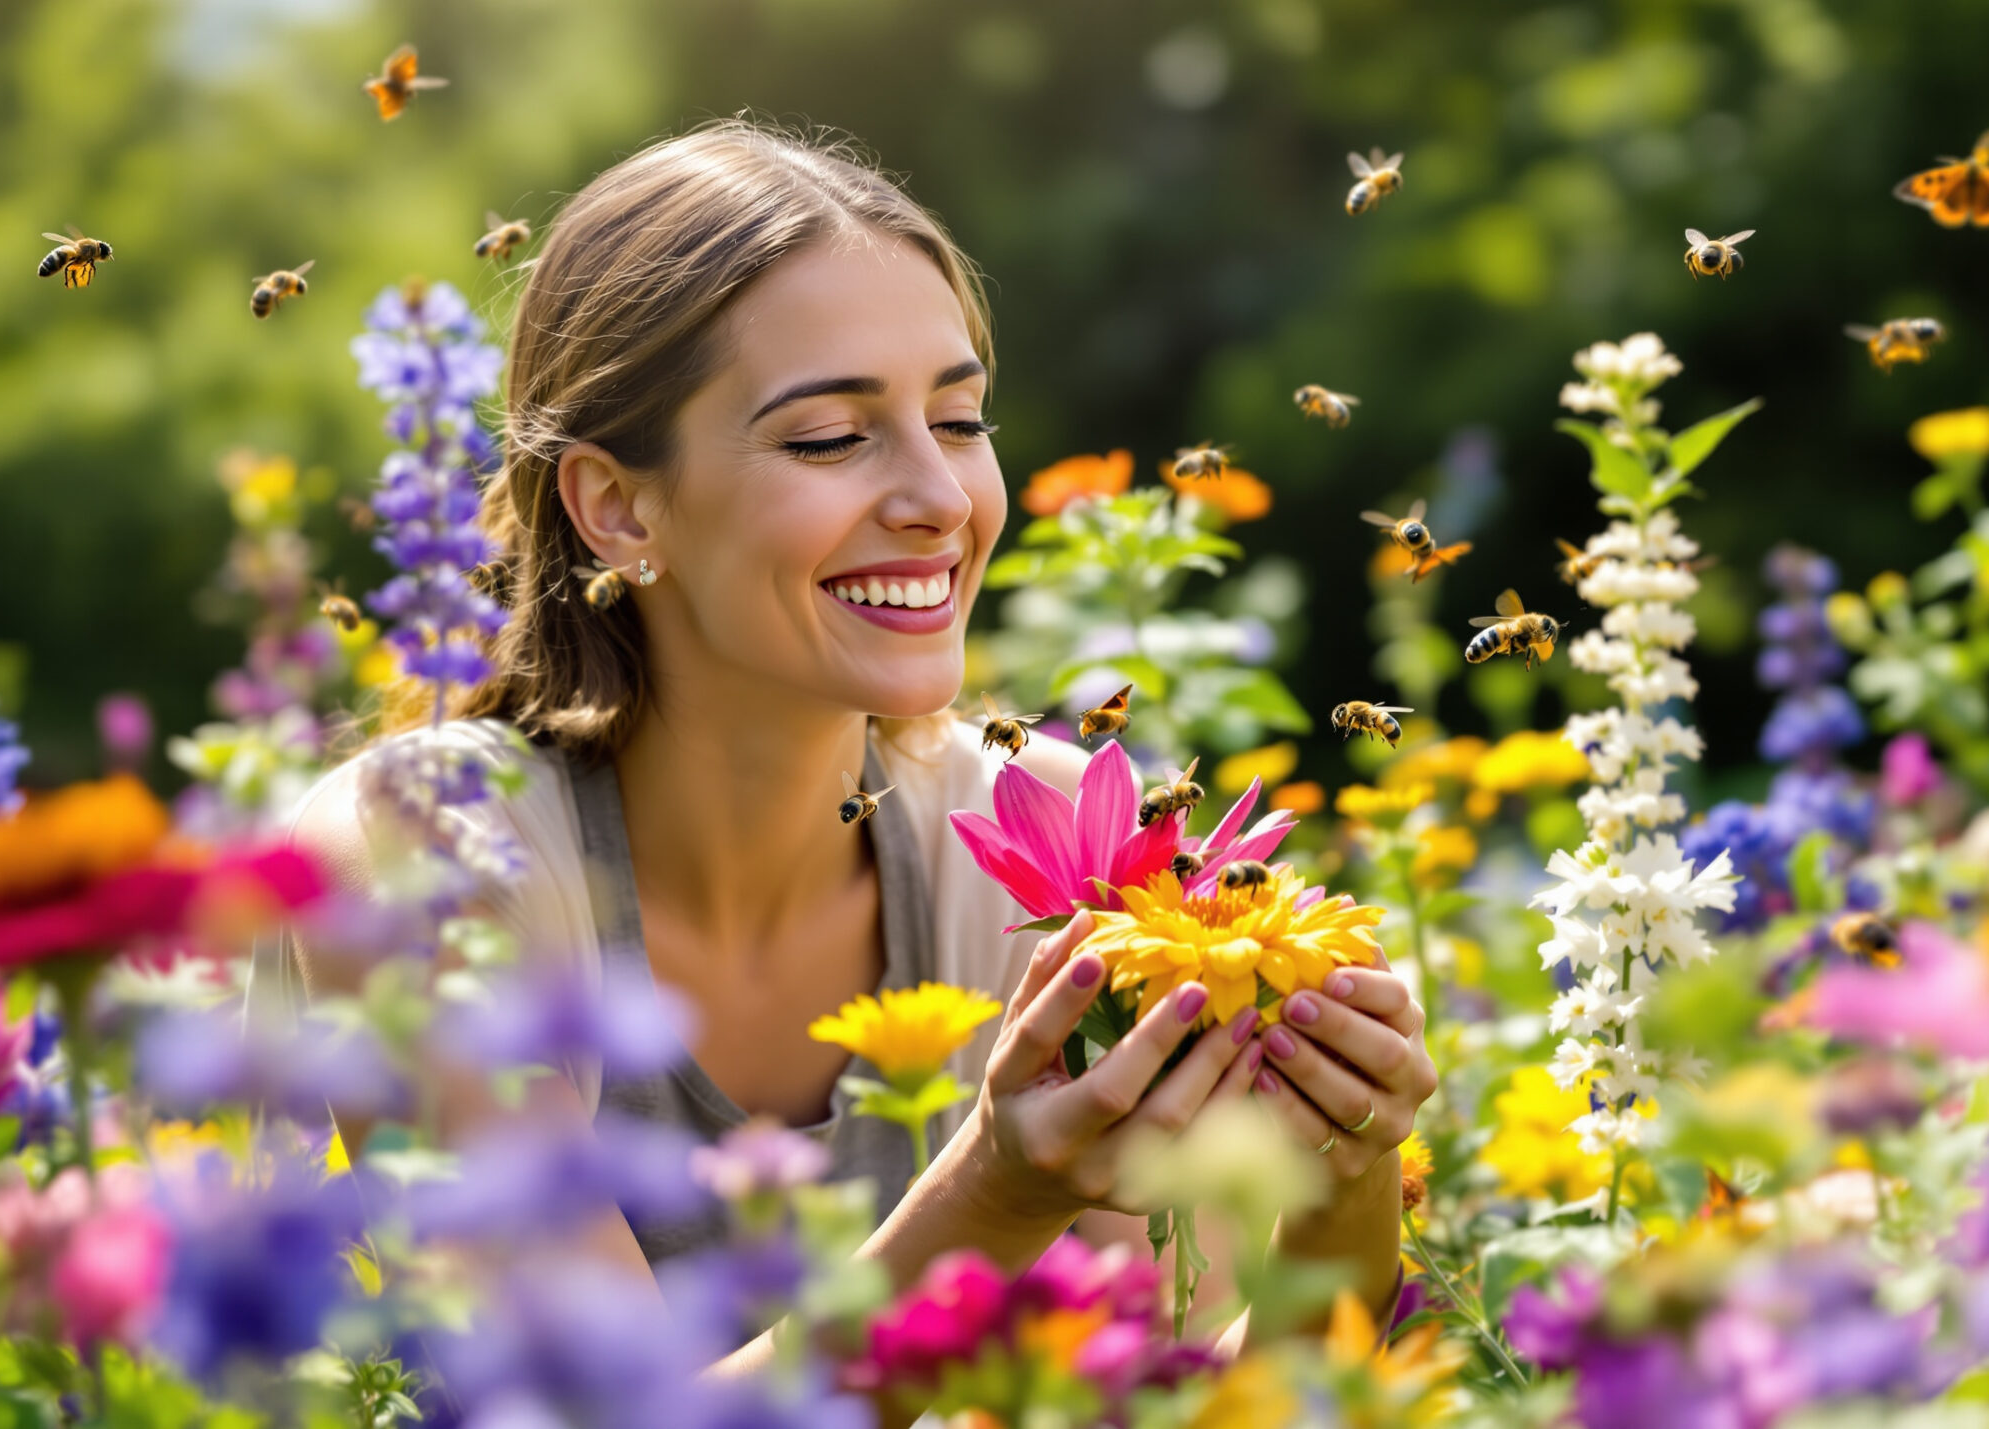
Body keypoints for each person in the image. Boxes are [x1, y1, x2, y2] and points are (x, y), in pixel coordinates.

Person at [265, 118, 1435, 1380]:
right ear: (615, 505)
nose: (939, 497)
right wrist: (990, 1194)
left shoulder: (1058, 841)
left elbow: (1203, 1399)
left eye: (962, 419)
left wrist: (1345, 1164)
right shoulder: (417, 865)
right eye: (829, 436)